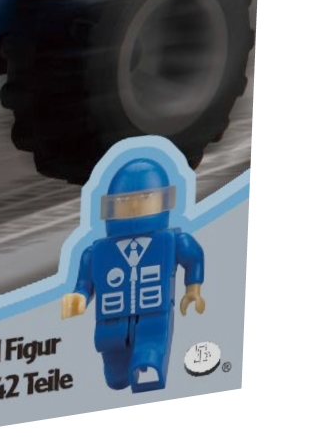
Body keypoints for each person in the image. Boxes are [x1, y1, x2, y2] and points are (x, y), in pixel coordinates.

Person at [62, 154, 206, 393]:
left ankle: (147, 365)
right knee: (115, 378)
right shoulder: (96, 252)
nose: (134, 209)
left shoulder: (171, 241)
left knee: (149, 355)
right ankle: (124, 371)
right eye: (124, 204)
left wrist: (193, 289)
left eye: (145, 202)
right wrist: (78, 297)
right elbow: (85, 283)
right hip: (111, 322)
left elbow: (193, 257)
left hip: (154, 314)